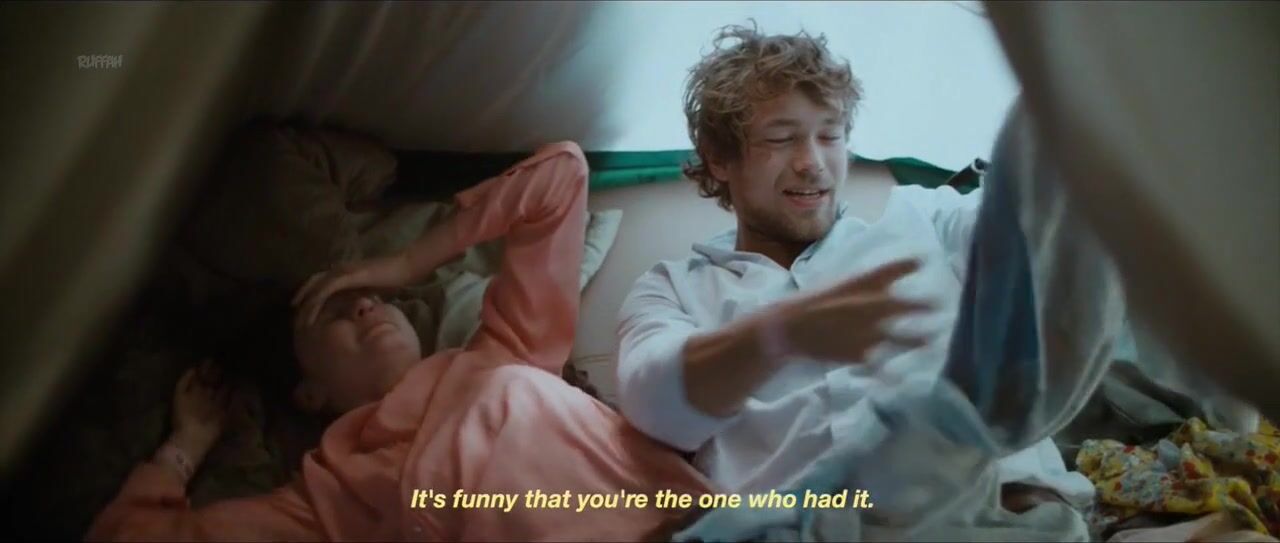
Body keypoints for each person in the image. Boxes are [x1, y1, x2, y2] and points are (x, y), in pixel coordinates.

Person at [87, 142, 711, 542]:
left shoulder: (509, 344)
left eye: (369, 297)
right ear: (308, 390)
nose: (364, 304)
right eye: (333, 315)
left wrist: (406, 262)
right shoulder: (332, 498)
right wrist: (185, 447)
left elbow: (561, 174)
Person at [614, 23, 1092, 523]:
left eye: (830, 136)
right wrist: (778, 335)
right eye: (781, 139)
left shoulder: (925, 221)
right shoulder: (674, 289)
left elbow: (1040, 235)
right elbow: (656, 408)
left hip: (999, 515)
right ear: (718, 159)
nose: (812, 163)